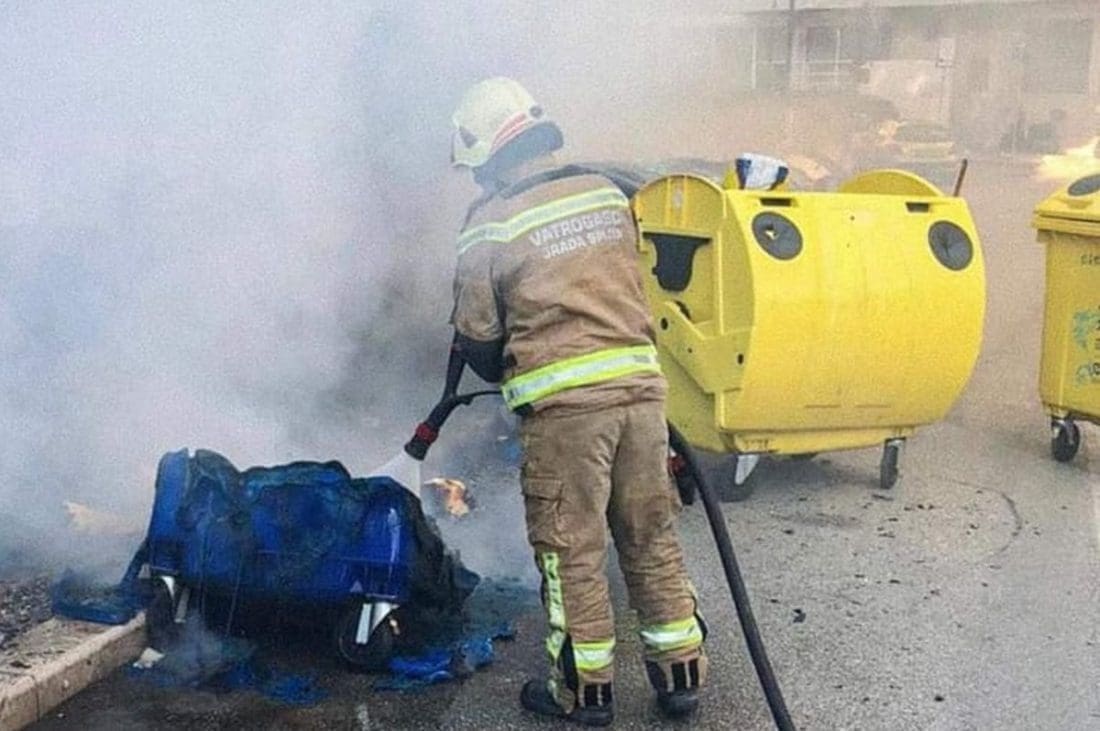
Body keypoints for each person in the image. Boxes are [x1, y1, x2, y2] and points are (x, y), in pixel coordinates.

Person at [447, 77, 707, 726]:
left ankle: (583, 690)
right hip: (643, 398)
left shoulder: (490, 221)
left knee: (573, 550)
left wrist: (510, 363)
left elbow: (478, 336)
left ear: (490, 155)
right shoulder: (603, 193)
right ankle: (680, 675)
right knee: (649, 534)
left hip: (567, 413)